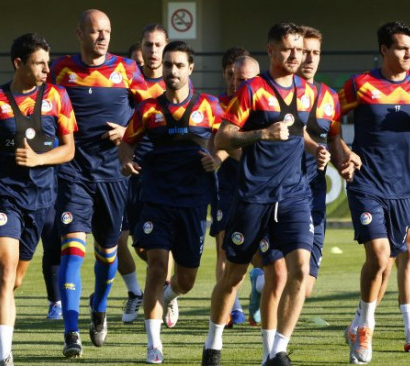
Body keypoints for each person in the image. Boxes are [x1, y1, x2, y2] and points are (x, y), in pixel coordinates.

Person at [201, 22, 328, 366]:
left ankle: (278, 352)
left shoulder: (307, 91)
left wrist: (317, 148)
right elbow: (223, 138)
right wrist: (261, 135)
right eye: (287, 48)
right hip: (253, 197)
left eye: (299, 50)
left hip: (294, 195)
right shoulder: (253, 91)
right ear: (270, 50)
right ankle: (213, 344)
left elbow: (297, 132)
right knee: (234, 276)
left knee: (297, 270)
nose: (294, 55)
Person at [0, 33, 76, 366]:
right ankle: (4, 356)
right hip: (4, 196)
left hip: (42, 199)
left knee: (15, 280)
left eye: (48, 62)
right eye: (40, 63)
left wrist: (40, 159)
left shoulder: (58, 97)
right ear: (19, 64)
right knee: (5, 267)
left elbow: (68, 149)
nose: (46, 69)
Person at [339, 21, 410, 363]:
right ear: (384, 49)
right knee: (381, 255)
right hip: (367, 184)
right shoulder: (360, 85)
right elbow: (327, 124)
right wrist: (344, 151)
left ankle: (406, 327)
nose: (408, 54)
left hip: (407, 187)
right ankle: (366, 328)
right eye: (401, 48)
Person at [257, 24, 359, 364]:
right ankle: (273, 353)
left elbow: (334, 138)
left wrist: (345, 157)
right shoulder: (276, 93)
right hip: (274, 191)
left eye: (315, 53)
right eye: (304, 51)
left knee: (305, 282)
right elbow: (293, 133)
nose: (308, 58)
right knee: (279, 275)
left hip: (311, 194)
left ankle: (274, 348)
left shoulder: (329, 97)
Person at [49, 9, 146, 357]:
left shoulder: (127, 70)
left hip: (113, 176)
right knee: (72, 251)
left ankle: (99, 307)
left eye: (107, 30)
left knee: (107, 254)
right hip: (73, 174)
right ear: (79, 34)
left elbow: (150, 111)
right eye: (94, 31)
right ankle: (71, 332)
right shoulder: (60, 70)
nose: (102, 37)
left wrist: (127, 131)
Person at [119, 40, 222, 365]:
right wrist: (126, 161)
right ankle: (153, 345)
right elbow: (127, 142)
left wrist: (217, 156)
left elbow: (230, 140)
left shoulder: (209, 105)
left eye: (179, 65)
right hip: (156, 201)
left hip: (193, 204)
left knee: (186, 280)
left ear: (190, 68)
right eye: (168, 65)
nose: (172, 71)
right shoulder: (148, 109)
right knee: (158, 267)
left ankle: (170, 296)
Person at [115, 23, 169, 325]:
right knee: (117, 239)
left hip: (160, 172)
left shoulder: (173, 83)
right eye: (148, 45)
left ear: (166, 47)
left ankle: (164, 292)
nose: (152, 50)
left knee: (157, 245)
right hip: (127, 169)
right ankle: (135, 291)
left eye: (158, 45)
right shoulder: (127, 83)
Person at [212, 46, 250, 327]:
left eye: (240, 77)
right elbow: (217, 142)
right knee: (224, 248)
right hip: (225, 184)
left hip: (255, 184)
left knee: (256, 251)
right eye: (230, 75)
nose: (235, 82)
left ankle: (257, 295)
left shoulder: (258, 102)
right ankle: (232, 309)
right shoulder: (216, 105)